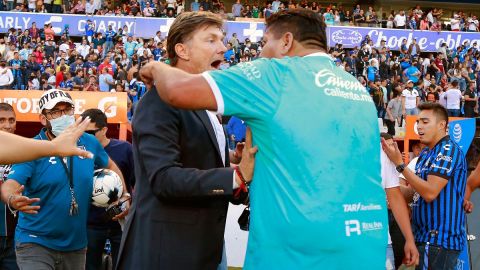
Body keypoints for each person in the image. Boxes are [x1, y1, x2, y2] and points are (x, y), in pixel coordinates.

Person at [138, 9, 389, 269]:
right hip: (364, 244)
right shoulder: (358, 90)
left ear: (286, 42)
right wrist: (238, 169)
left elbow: (176, 90)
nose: (260, 52)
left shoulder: (274, 74)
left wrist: (155, 66)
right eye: (211, 40)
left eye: (265, 41)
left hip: (294, 253)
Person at [117, 12, 255, 270]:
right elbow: (164, 178)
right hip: (166, 253)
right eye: (211, 40)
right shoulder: (160, 100)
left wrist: (231, 159)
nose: (223, 48)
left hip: (203, 250)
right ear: (182, 50)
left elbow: (193, 157)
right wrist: (234, 176)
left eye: (222, 40)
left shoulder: (204, 104)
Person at [1, 89, 130, 270]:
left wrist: (123, 193)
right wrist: (13, 199)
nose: (63, 115)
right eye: (55, 112)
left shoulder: (89, 141)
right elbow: (10, 185)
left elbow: (110, 166)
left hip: (75, 246)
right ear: (43, 119)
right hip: (35, 242)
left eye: (67, 109)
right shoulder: (34, 147)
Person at [382, 102, 467, 270]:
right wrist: (389, 188)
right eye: (418, 122)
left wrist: (400, 165)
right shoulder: (426, 154)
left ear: (442, 125)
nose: (419, 126)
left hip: (439, 241)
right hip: (423, 238)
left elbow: (429, 193)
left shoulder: (448, 149)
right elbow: (415, 193)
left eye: (425, 122)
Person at [80, 109, 135, 270]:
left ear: (104, 129)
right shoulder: (80, 152)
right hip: (91, 223)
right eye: (83, 132)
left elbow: (138, 181)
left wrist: (128, 200)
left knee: (123, 264)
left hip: (120, 221)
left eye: (90, 132)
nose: (86, 137)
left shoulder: (125, 149)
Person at [380, 133, 419, 269]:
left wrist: (409, 239)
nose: (391, 149)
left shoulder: (390, 163)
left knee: (398, 255)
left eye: (393, 145)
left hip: (388, 230)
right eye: (387, 145)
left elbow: (397, 193)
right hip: (357, 237)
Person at [0, 103, 19, 270]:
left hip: (17, 237)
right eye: (2, 120)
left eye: (11, 120)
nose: (7, 125)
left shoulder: (27, 152)